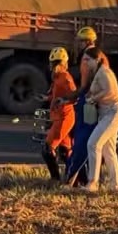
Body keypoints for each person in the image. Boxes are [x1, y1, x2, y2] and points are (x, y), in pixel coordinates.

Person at [58, 26, 105, 187]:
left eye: (79, 41)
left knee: (81, 141)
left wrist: (68, 98)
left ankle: (73, 177)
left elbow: (84, 87)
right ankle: (90, 178)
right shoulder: (102, 56)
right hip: (102, 104)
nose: (77, 45)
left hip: (89, 104)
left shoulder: (86, 58)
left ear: (87, 41)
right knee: (96, 143)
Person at [84, 47, 118, 193]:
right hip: (108, 112)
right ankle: (115, 185)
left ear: (96, 59)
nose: (85, 62)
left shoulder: (104, 72)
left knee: (93, 144)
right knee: (108, 149)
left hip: (114, 111)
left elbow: (109, 91)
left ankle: (93, 182)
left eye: (88, 60)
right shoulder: (99, 72)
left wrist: (92, 99)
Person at [42, 47, 76, 181]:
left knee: (48, 148)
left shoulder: (65, 77)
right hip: (59, 117)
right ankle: (72, 177)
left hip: (64, 118)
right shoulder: (57, 77)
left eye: (55, 63)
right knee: (65, 150)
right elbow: (57, 95)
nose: (53, 66)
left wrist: (64, 100)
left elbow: (74, 95)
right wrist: (47, 98)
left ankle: (55, 179)